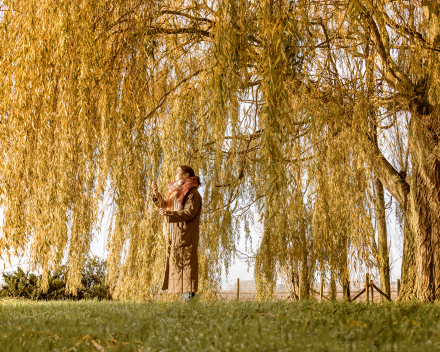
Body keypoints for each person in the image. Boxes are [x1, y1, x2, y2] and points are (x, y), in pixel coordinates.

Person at [151, 165, 202, 301]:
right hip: (176, 236)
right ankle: (185, 306)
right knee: (180, 273)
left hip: (186, 236)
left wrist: (169, 215)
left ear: (186, 176)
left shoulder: (192, 193)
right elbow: (165, 205)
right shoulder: (176, 192)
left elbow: (189, 213)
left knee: (187, 273)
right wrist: (156, 194)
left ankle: (189, 305)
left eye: (178, 172)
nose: (175, 173)